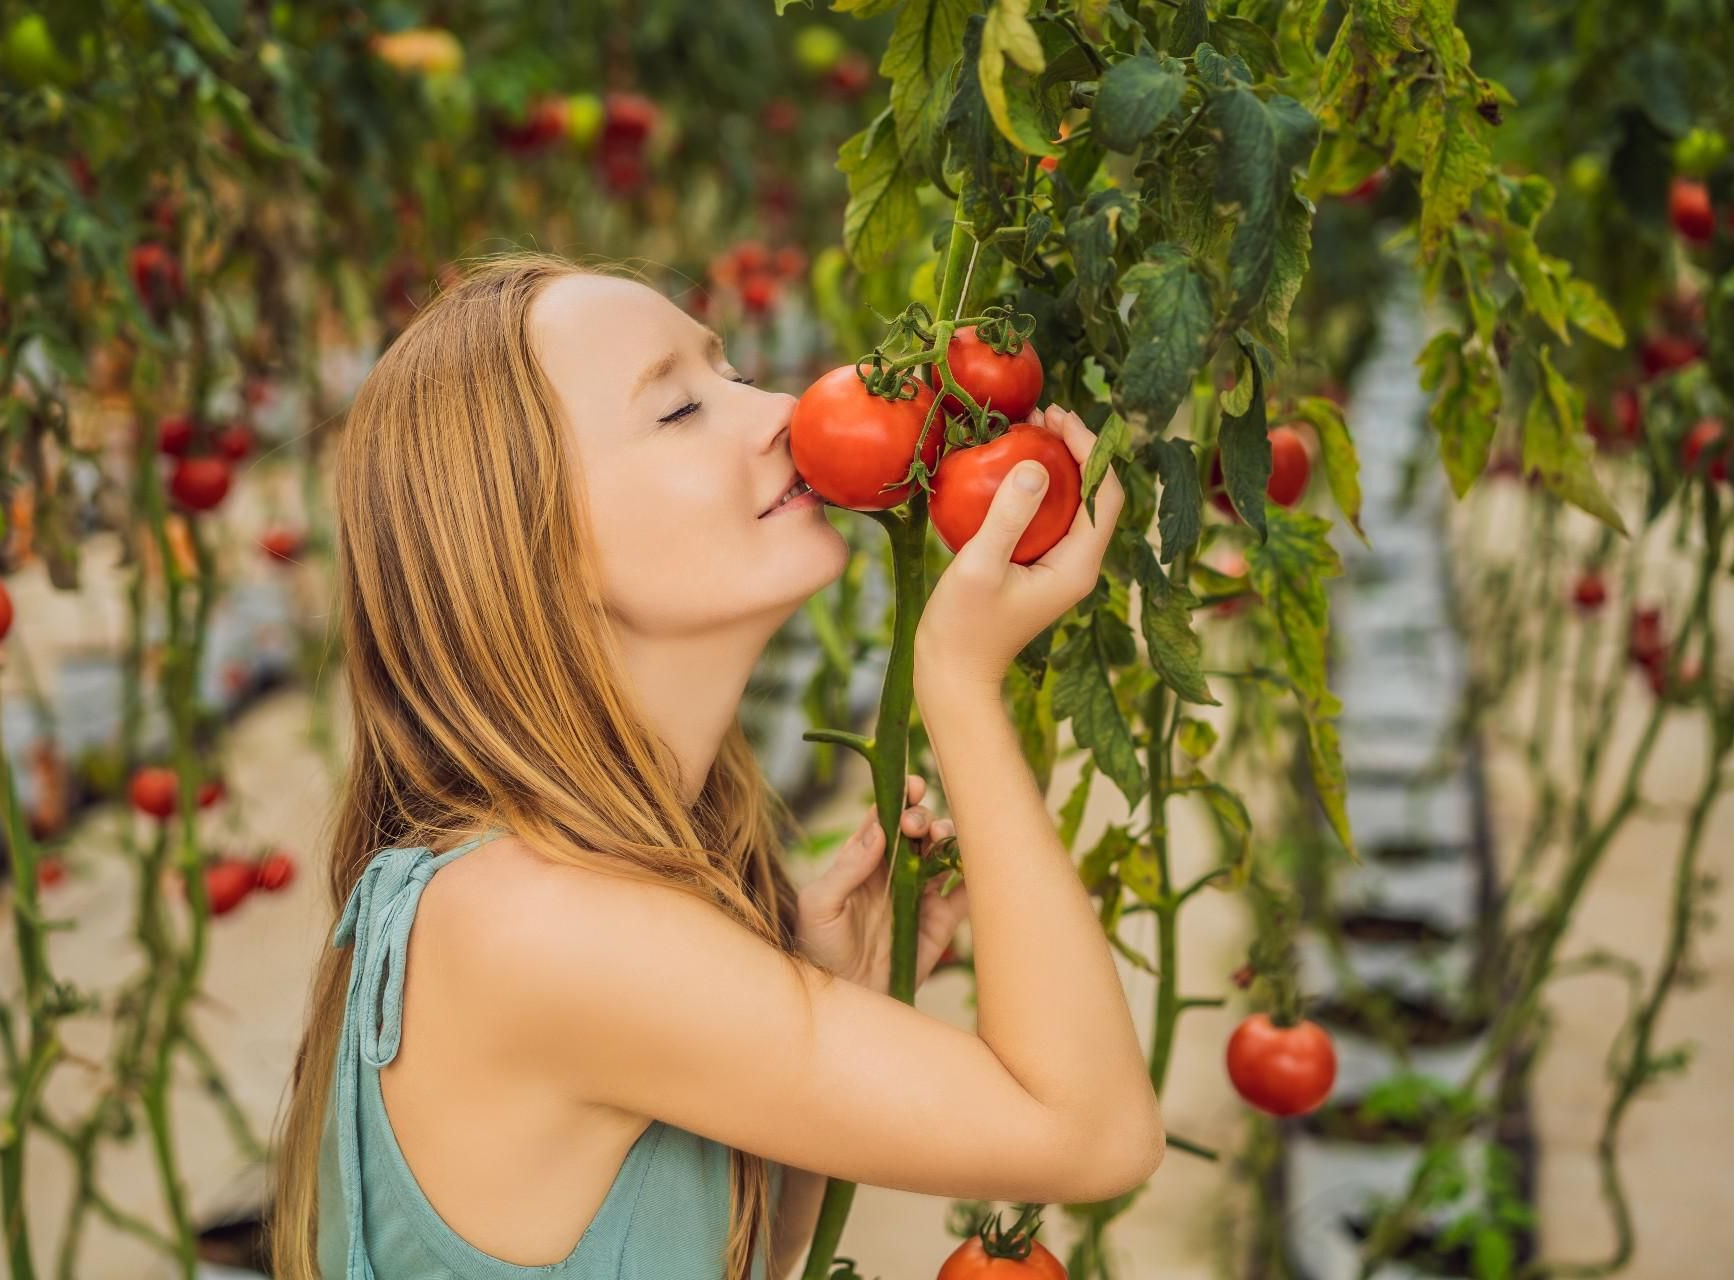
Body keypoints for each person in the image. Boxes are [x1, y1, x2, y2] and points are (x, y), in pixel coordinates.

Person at [269, 252, 1163, 1280]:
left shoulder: (548, 886)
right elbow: (1093, 1132)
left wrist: (826, 995)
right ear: (539, 550)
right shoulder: (541, 922)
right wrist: (958, 686)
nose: (783, 405)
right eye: (679, 410)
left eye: (731, 372)